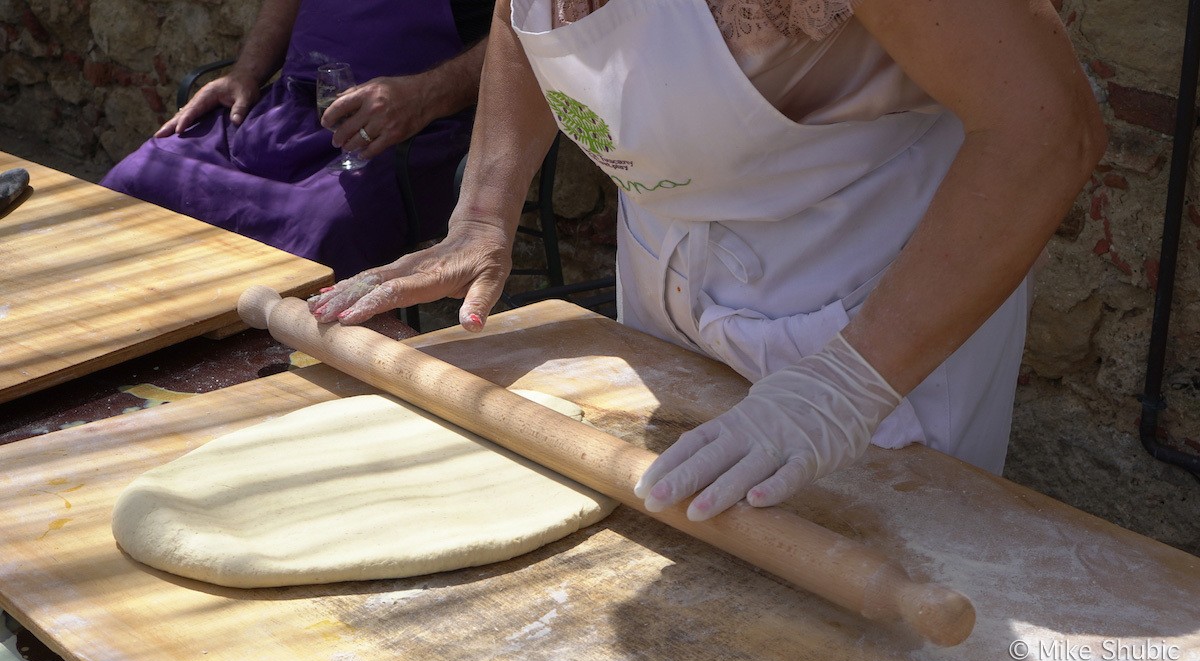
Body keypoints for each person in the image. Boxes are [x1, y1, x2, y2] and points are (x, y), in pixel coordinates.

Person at [308, 0, 1106, 520]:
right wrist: (481, 214)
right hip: (670, 273)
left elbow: (1044, 126)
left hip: (868, 308)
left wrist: (846, 385)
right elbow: (525, 19)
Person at [101, 0, 494, 279]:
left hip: (407, 129)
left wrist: (423, 95)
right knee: (136, 180)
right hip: (287, 107)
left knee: (317, 233)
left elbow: (521, 40)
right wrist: (246, 72)